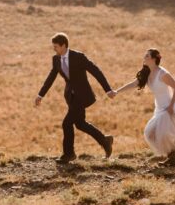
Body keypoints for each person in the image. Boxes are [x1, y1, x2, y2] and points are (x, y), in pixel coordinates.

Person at [111, 48, 175, 167]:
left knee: (159, 134)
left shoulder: (163, 74)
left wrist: (171, 106)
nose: (144, 58)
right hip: (160, 108)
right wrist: (117, 91)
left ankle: (173, 154)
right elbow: (134, 83)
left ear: (153, 59)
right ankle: (173, 154)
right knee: (151, 134)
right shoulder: (147, 73)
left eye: (146, 56)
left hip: (169, 107)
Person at [34, 32, 115, 163]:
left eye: (55, 47)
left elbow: (96, 71)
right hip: (70, 97)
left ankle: (69, 154)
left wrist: (108, 89)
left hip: (82, 96)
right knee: (80, 124)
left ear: (63, 45)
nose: (54, 49)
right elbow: (51, 77)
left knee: (66, 123)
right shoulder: (56, 59)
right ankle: (105, 140)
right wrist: (40, 94)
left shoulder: (78, 57)